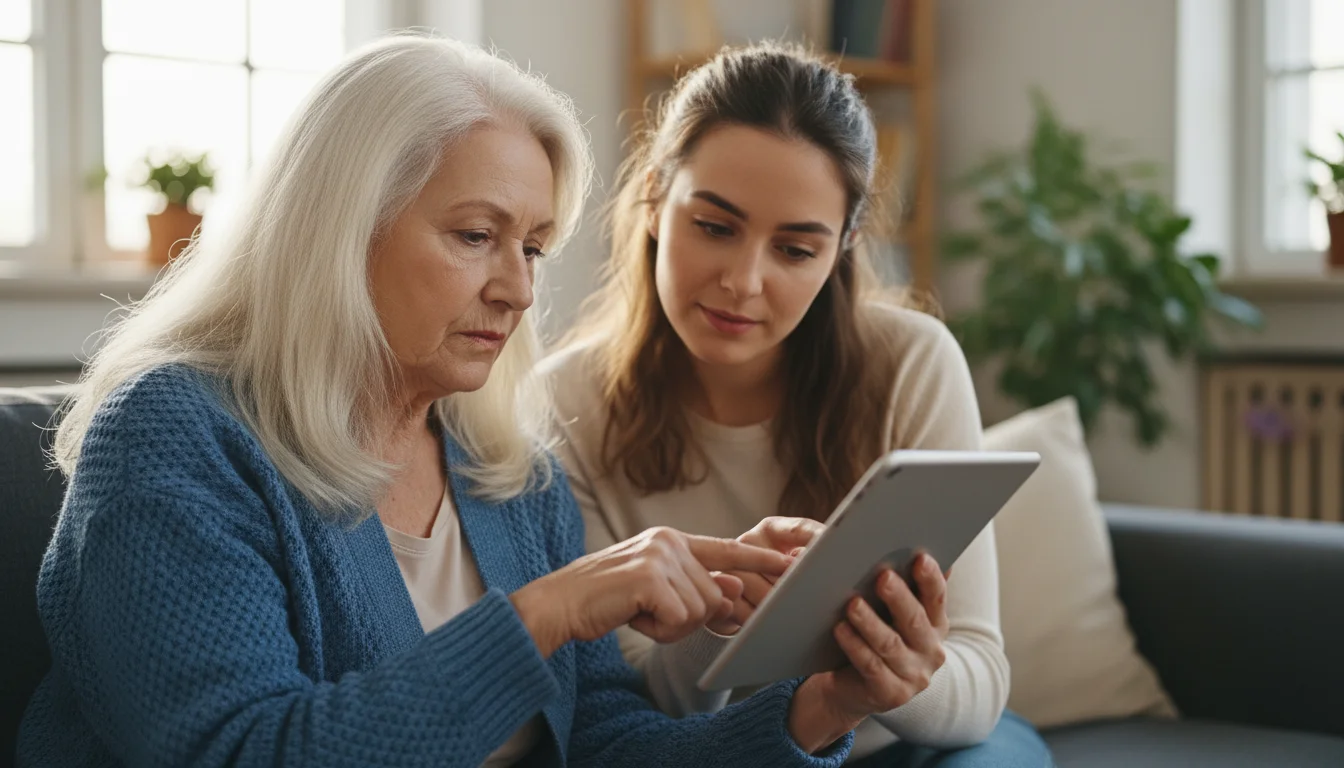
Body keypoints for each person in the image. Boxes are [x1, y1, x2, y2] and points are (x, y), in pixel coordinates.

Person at [16, 35, 880, 767]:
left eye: (534, 248)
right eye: (476, 237)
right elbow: (244, 749)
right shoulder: (178, 434)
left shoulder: (510, 472)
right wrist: (548, 613)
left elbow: (604, 743)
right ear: (340, 228)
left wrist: (821, 708)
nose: (517, 290)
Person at [542, 43, 1054, 766]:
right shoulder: (565, 402)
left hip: (906, 746)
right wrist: (719, 614)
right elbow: (628, 710)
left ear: (843, 246)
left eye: (794, 250)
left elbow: (977, 683)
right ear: (655, 198)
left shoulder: (911, 362)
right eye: (715, 227)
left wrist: (891, 680)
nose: (743, 282)